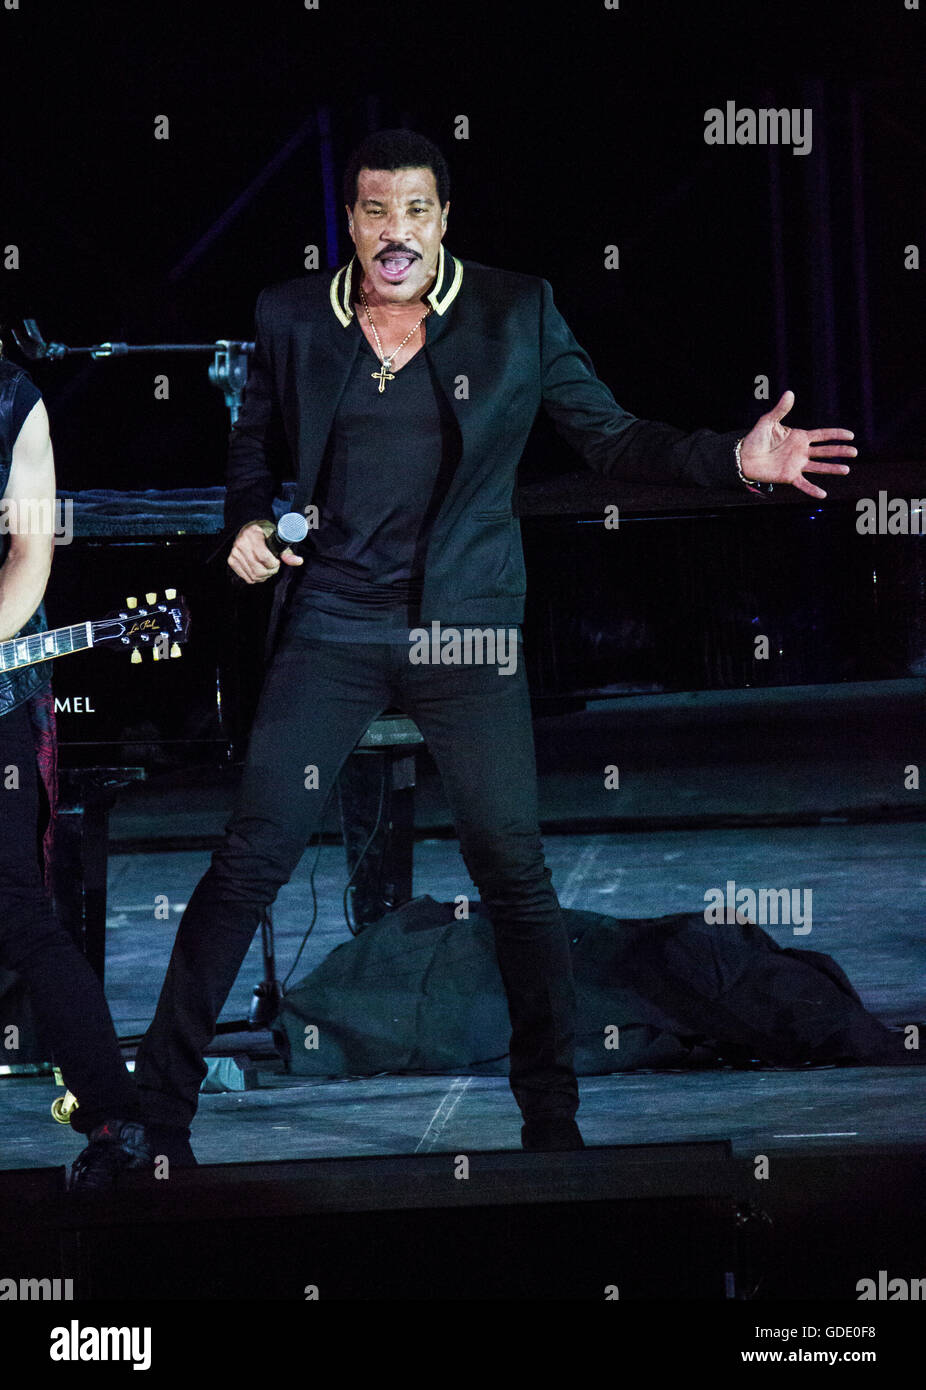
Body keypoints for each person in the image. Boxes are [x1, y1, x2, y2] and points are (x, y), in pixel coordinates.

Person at [132, 129, 855, 1160]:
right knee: (249, 860)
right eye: (375, 212)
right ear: (348, 223)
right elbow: (254, 454)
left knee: (512, 870)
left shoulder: (515, 314)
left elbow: (609, 437)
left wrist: (729, 460)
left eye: (415, 211)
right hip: (333, 623)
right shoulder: (289, 317)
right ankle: (158, 1119)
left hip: (465, 629)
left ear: (442, 221)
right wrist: (246, 525)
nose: (396, 234)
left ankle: (548, 1122)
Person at [0, 346, 151, 1190]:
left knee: (18, 911)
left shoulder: (13, 400)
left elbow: (29, 556)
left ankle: (114, 1119)